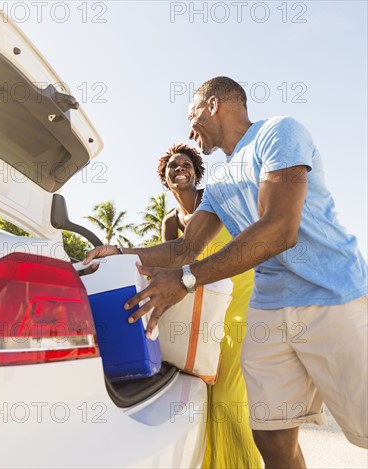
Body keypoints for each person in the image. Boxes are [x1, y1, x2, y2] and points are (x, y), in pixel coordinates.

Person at [84, 76, 368, 468]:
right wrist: (121, 252)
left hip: (333, 296)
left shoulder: (278, 133)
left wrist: (185, 280)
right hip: (268, 311)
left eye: (192, 114)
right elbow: (184, 247)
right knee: (271, 438)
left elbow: (279, 229)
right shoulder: (218, 182)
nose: (189, 127)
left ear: (213, 104)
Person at [158, 143, 262, 468]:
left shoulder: (213, 199)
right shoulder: (169, 221)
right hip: (204, 307)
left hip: (240, 293)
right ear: (165, 178)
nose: (179, 169)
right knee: (207, 394)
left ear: (195, 171)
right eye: (172, 166)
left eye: (186, 164)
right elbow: (171, 262)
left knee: (231, 394)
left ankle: (245, 462)